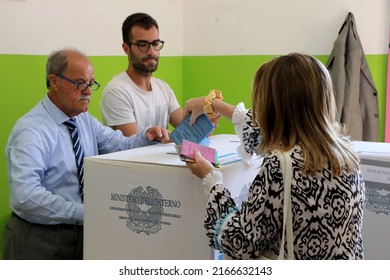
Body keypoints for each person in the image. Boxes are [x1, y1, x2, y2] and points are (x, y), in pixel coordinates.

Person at [184, 53, 365, 260]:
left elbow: (240, 242)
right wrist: (214, 104)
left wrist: (213, 181)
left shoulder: (281, 165)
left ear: (274, 107)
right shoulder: (345, 153)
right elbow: (266, 132)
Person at [3, 48, 169, 260]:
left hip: (82, 233)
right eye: (80, 83)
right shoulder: (32, 130)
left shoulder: (82, 119)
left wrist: (146, 136)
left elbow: (117, 144)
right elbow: (25, 196)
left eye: (91, 83)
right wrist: (85, 212)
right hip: (39, 238)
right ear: (54, 81)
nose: (88, 91)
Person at [100, 12, 184, 137]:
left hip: (162, 156)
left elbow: (192, 132)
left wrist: (211, 111)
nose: (151, 52)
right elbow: (135, 147)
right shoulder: (116, 91)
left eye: (155, 44)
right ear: (126, 48)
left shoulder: (163, 88)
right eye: (142, 45)